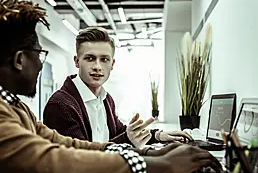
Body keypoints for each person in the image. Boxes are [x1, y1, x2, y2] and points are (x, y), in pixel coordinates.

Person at [0, 0, 222, 173]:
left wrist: (147, 151)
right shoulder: (40, 108)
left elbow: (70, 144)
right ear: (19, 60)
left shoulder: (17, 108)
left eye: (104, 59)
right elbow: (61, 162)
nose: (40, 64)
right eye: (39, 55)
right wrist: (159, 164)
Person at [43, 27, 193, 148]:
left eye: (104, 59)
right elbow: (81, 158)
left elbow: (119, 132)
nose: (97, 67)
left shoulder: (106, 99)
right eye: (90, 58)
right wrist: (128, 138)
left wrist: (158, 136)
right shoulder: (60, 105)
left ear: (112, 64)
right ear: (77, 62)